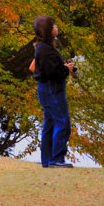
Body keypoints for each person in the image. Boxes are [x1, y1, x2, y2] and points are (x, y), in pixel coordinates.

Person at [32, 16, 75, 168]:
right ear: (48, 30)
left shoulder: (44, 47)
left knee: (50, 124)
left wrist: (63, 67)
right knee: (62, 123)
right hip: (52, 89)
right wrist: (66, 69)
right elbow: (52, 73)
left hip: (46, 89)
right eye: (53, 25)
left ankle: (47, 160)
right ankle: (56, 159)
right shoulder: (46, 49)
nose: (57, 27)